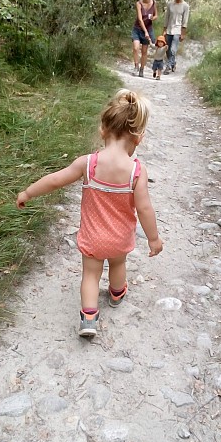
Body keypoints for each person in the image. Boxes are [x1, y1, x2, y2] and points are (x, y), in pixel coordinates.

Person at [16, 89, 163, 338]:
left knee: (91, 275)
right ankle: (117, 293)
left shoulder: (87, 163)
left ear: (102, 130)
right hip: (119, 239)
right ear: (138, 139)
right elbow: (145, 208)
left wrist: (28, 193)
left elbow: (55, 180)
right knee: (118, 264)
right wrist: (153, 238)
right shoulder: (136, 171)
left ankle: (89, 318)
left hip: (93, 238)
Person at [132, 0, 158, 78]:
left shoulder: (154, 3)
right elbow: (139, 19)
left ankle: (142, 69)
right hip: (138, 29)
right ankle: (136, 66)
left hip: (149, 28)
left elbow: (156, 15)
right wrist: (145, 32)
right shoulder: (139, 3)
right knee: (135, 48)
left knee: (144, 51)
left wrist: (152, 18)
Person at [163, 0, 189, 74]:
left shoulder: (185, 6)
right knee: (168, 49)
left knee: (173, 49)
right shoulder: (170, 4)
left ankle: (168, 66)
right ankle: (173, 63)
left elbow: (185, 20)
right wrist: (164, 29)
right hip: (169, 29)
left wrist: (183, 33)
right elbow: (166, 17)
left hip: (178, 30)